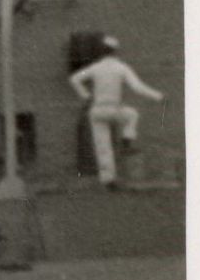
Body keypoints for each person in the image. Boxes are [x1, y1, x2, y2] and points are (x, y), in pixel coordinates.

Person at [68, 36, 164, 188]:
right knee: (132, 114)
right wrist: (158, 96)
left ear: (102, 51)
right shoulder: (121, 68)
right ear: (115, 51)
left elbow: (74, 79)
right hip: (114, 108)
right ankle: (127, 139)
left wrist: (85, 95)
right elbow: (137, 87)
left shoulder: (96, 67)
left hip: (97, 110)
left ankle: (108, 180)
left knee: (102, 145)